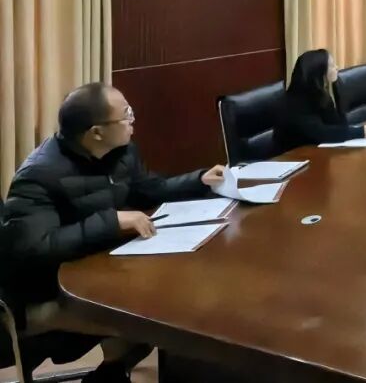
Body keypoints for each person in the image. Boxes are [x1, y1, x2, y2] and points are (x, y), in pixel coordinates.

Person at [0, 83, 226, 382]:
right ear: (96, 132)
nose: (133, 120)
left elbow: (148, 189)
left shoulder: (121, 151)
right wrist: (112, 222)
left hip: (98, 273)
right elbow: (33, 249)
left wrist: (198, 180)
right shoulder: (38, 176)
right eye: (126, 115)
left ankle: (109, 374)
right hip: (43, 295)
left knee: (166, 303)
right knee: (151, 319)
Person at [275, 50, 366, 152]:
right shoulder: (295, 102)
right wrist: (361, 132)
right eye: (332, 65)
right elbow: (322, 133)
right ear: (319, 72)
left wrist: (337, 89)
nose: (337, 67)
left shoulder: (320, 94)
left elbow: (338, 125)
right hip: (294, 157)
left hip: (316, 153)